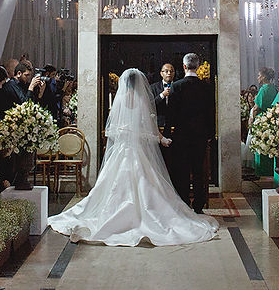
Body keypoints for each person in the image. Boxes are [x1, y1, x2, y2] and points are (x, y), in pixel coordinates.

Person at [47, 69, 219, 245]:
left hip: (122, 150)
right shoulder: (141, 101)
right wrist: (160, 139)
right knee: (148, 182)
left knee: (112, 183)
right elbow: (148, 129)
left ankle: (114, 215)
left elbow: (112, 130)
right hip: (138, 151)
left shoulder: (119, 100)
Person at [166, 53, 217, 214]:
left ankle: (184, 202)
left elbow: (171, 114)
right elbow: (211, 113)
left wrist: (168, 132)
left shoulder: (177, 86)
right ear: (199, 66)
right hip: (200, 135)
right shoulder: (207, 87)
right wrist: (211, 133)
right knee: (199, 171)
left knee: (182, 170)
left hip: (181, 135)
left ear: (184, 67)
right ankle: (199, 205)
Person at [251, 67, 279, 177]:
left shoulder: (263, 89)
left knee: (261, 147)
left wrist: (252, 119)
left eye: (259, 75)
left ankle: (261, 172)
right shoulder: (273, 88)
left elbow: (256, 107)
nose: (258, 77)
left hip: (261, 120)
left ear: (263, 77)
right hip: (270, 119)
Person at [149, 63, 176, 132]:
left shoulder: (178, 86)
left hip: (175, 123)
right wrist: (162, 95)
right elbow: (150, 105)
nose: (169, 73)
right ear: (161, 73)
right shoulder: (153, 87)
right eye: (166, 71)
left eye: (171, 71)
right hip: (158, 124)